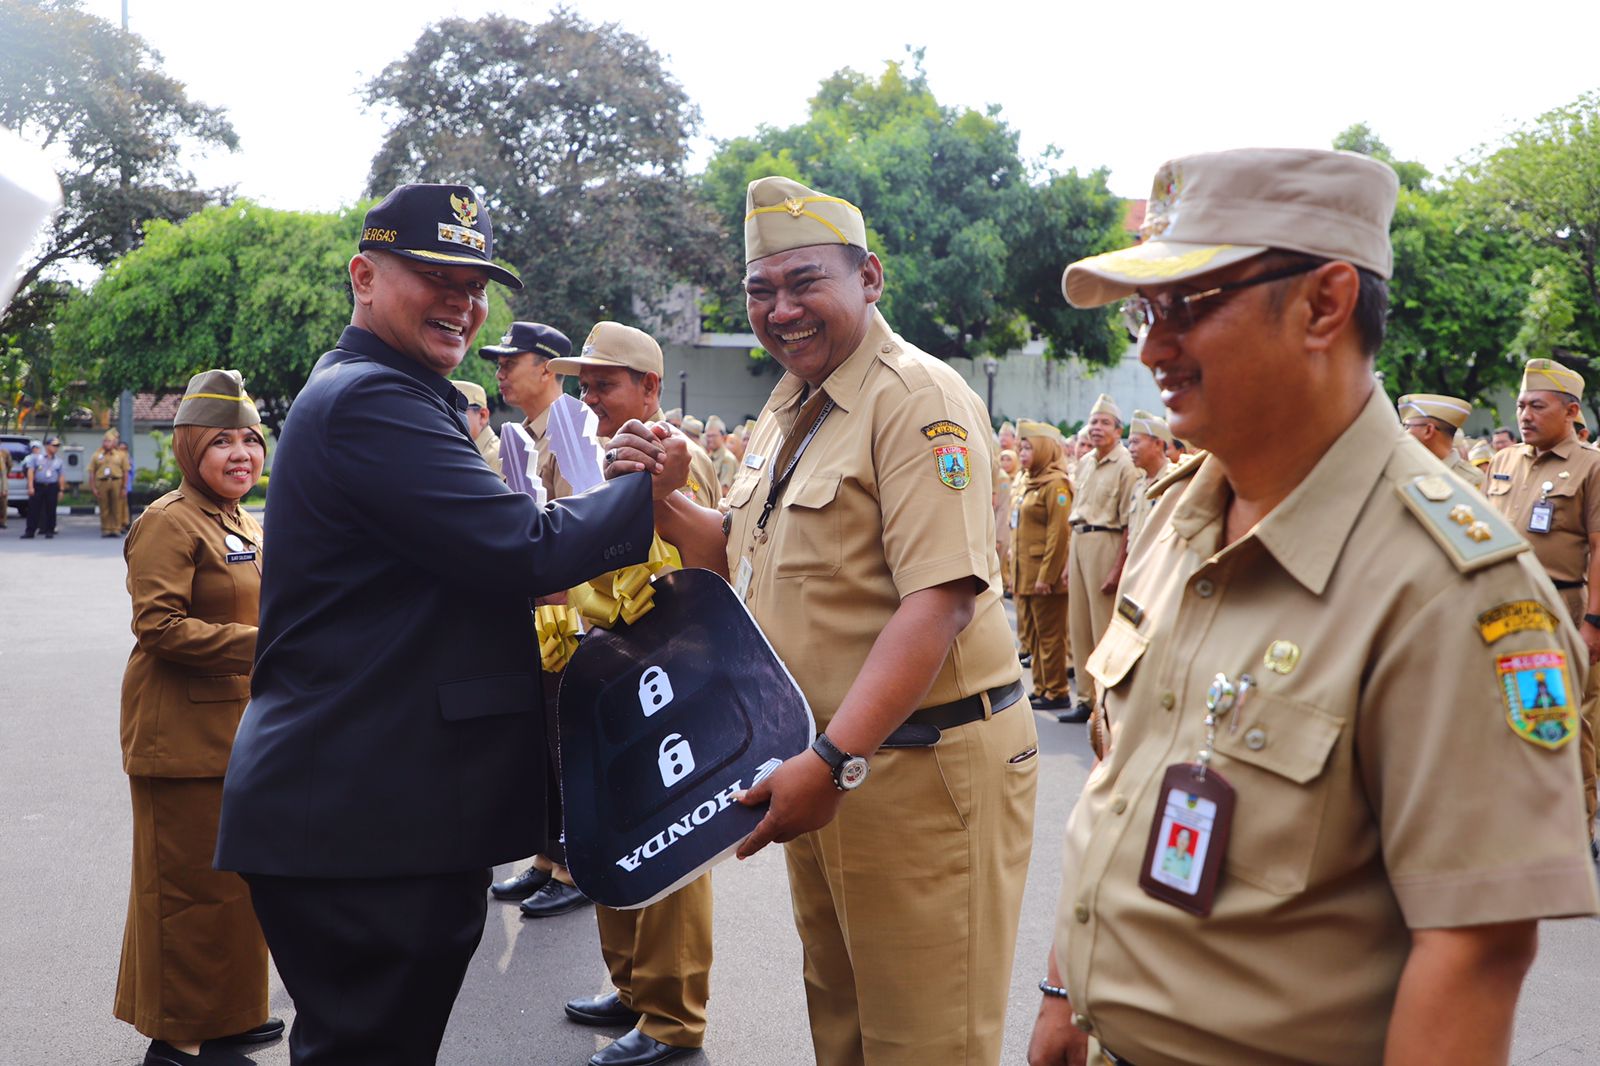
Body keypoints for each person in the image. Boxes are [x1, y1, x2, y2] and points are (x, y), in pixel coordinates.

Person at [1029, 146, 1599, 1066]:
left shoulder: (1454, 587)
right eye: (1146, 310)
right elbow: (1123, 782)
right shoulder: (1184, 511)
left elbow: (1474, 950)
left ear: (1324, 305)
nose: (1151, 347)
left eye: (1188, 305)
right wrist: (1065, 992)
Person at [214, 183, 683, 1066]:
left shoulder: (387, 388)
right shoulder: (373, 400)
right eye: (436, 276)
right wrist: (641, 489)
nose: (463, 303)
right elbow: (520, 548)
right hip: (367, 817)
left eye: (475, 284)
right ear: (363, 275)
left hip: (376, 807)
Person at [633, 175, 1038, 1066]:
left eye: (804, 282)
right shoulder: (790, 405)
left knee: (925, 1041)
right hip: (828, 764)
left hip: (915, 770)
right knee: (846, 1030)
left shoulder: (914, 399)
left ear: (870, 278)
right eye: (760, 290)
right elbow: (739, 559)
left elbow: (941, 599)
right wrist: (667, 502)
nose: (781, 309)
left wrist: (832, 758)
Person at [547, 320, 719, 1066]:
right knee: (615, 835)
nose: (590, 400)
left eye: (605, 384)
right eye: (583, 386)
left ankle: (673, 1018)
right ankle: (633, 990)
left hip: (669, 681)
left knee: (670, 852)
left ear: (650, 387)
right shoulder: (609, 459)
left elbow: (697, 572)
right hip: (615, 679)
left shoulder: (683, 463)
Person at [115, 370, 281, 1066]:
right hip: (179, 736)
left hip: (236, 732)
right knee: (185, 891)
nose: (241, 454)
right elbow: (159, 627)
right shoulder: (169, 521)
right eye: (222, 442)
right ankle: (178, 1040)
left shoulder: (242, 519)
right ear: (189, 449)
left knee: (235, 886)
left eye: (250, 440)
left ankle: (229, 1014)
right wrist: (267, 644)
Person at [479, 320, 581, 906]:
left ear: (547, 368)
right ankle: (546, 855)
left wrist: (560, 630)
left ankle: (573, 867)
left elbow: (569, 539)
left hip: (560, 617)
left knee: (565, 741)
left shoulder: (568, 433)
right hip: (533, 613)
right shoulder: (526, 436)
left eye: (510, 361)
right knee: (541, 742)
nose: (500, 371)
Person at [1485, 358, 1600, 848]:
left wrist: (1594, 622)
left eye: (1537, 405)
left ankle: (1578, 820)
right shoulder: (1502, 462)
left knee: (1562, 717)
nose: (1524, 414)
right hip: (1498, 611)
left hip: (1560, 608)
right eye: (1520, 405)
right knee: (1498, 714)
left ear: (1571, 411)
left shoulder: (1591, 466)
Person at [1065, 396, 1137, 722]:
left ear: (1119, 430)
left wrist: (1117, 567)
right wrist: (1068, 563)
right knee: (1078, 625)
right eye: (1093, 422)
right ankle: (1083, 699)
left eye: (1104, 422)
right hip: (1079, 541)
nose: (1096, 428)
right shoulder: (1085, 462)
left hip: (1106, 542)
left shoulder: (1125, 465)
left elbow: (1127, 524)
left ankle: (1104, 702)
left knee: (1102, 627)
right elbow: (1075, 513)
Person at [1013, 421, 1073, 714]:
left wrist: (1047, 576)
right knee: (1035, 635)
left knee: (1050, 636)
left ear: (1045, 450)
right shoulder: (1030, 482)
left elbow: (1059, 534)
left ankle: (1057, 690)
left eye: (1028, 448)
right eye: (1021, 447)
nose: (1022, 453)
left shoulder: (1056, 484)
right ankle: (1042, 687)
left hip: (1043, 576)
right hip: (1027, 573)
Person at [1399, 393, 1486, 491]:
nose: (1404, 432)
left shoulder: (1472, 479)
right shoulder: (1408, 472)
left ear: (1428, 430)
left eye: (1407, 427)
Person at [1124, 409, 1174, 547]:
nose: (1131, 449)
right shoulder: (1138, 485)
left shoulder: (1174, 482)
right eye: (1130, 443)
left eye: (1136, 442)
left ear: (1158, 444)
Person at [451, 379, 501, 475]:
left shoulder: (499, 457)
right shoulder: (461, 453)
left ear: (483, 415)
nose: (449, 419)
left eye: (456, 413)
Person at [20, 434, 65, 538]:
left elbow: (61, 476)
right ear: (47, 446)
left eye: (57, 446)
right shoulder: (37, 458)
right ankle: (30, 531)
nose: (56, 448)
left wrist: (61, 490)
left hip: (52, 486)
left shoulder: (58, 461)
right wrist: (31, 486)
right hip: (38, 485)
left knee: (51, 509)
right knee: (33, 509)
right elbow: (30, 472)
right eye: (54, 445)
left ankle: (49, 530)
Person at [91, 430, 132, 537]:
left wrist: (124, 487)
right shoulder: (97, 455)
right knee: (104, 507)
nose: (107, 443)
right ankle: (106, 529)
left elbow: (126, 472)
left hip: (116, 482)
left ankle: (116, 528)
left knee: (117, 506)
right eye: (105, 441)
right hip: (102, 482)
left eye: (109, 441)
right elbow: (92, 472)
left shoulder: (121, 455)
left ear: (114, 442)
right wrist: (93, 487)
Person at [995, 446, 1019, 594]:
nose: (1004, 462)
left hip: (1004, 526)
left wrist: (998, 536)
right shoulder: (1001, 476)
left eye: (1008, 459)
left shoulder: (1004, 478)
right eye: (1002, 459)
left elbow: (1003, 508)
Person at [703, 415, 738, 496]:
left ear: (723, 437)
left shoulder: (727, 459)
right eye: (708, 436)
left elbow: (725, 491)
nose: (709, 439)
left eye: (713, 436)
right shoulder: (708, 456)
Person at [118, 439, 135, 532]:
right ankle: (119, 524)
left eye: (124, 449)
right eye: (120, 449)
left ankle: (127, 523)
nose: (122, 451)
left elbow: (132, 473)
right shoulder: (116, 458)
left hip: (127, 487)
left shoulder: (129, 459)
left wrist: (127, 484)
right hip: (117, 486)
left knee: (128, 507)